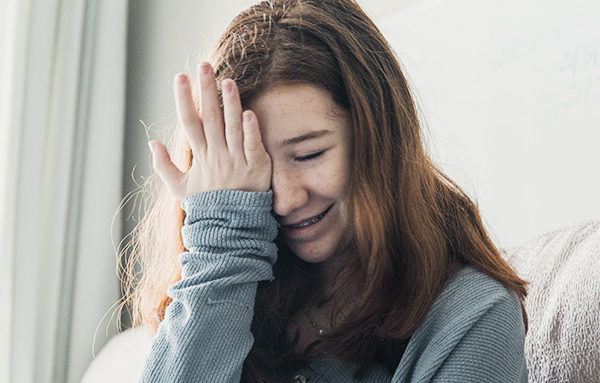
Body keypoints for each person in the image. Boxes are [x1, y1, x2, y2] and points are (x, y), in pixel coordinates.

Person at [123, 0, 529, 381]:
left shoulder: (473, 316)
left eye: (309, 154)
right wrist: (222, 240)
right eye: (255, 167)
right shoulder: (231, 282)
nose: (284, 199)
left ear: (378, 138)